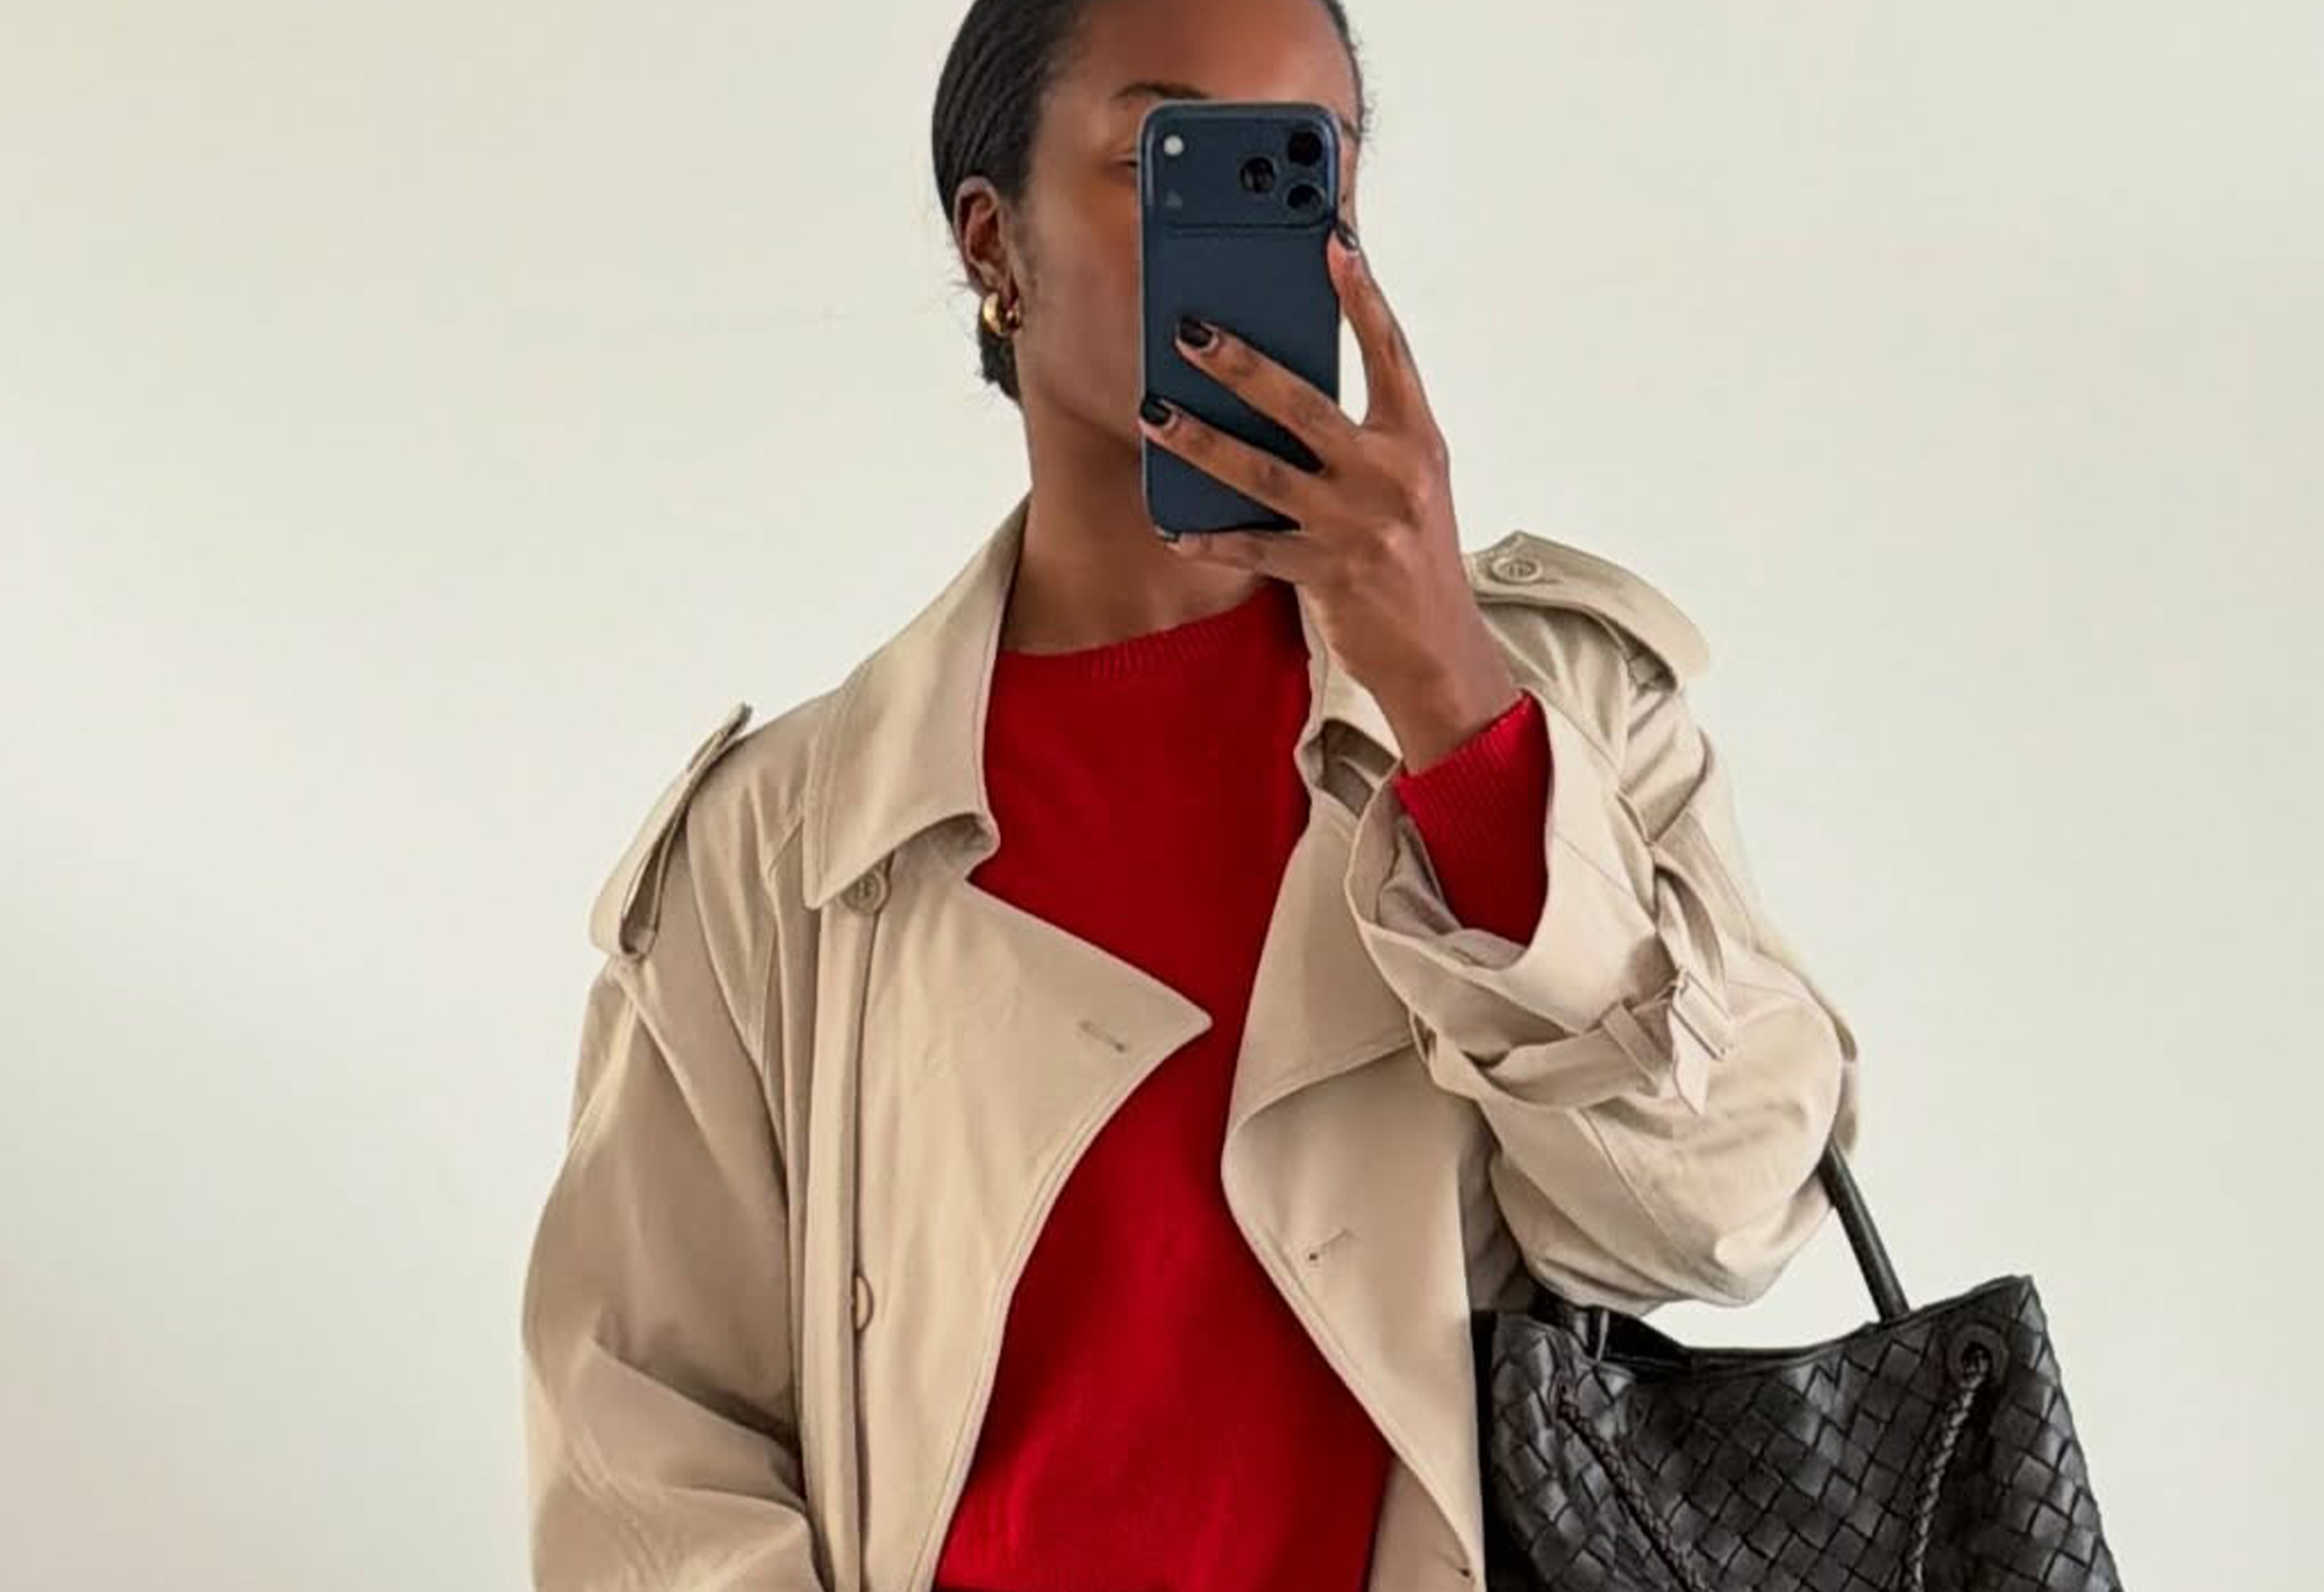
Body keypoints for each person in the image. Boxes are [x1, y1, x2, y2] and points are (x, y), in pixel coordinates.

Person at [517, 1, 1864, 1588]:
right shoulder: (782, 842)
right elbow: (638, 1438)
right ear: (990, 244)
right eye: (1167, 156)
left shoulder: (1554, 716)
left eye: (1303, 169)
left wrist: (1453, 711)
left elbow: (1715, 1217)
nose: (1246, 229)